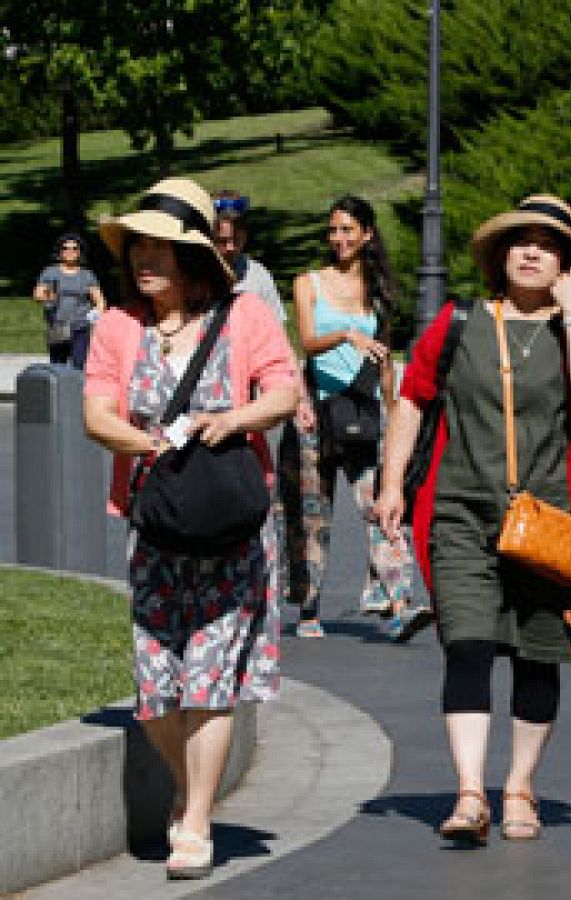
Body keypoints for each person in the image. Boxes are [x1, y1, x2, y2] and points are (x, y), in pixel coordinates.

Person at [374, 193, 571, 846]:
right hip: (460, 513)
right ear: (500, 254)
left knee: (537, 657)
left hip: (548, 520)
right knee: (469, 645)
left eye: (550, 243)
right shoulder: (457, 323)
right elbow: (413, 400)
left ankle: (519, 787)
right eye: (522, 240)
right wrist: (392, 481)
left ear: (568, 264)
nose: (533, 251)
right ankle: (468, 794)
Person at [82, 177, 297, 879]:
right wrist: (144, 445)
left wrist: (229, 421)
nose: (146, 259)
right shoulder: (117, 325)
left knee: (208, 680)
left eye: (162, 248)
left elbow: (284, 391)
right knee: (154, 694)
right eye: (138, 247)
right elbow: (96, 413)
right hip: (156, 526)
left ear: (195, 258)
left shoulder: (243, 319)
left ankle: (196, 820)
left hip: (232, 528)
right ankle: (187, 785)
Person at [279, 195, 421, 640]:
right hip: (318, 414)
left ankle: (398, 602)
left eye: (347, 230)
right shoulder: (309, 283)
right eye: (333, 230)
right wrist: (346, 334)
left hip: (365, 411)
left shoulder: (378, 291)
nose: (338, 238)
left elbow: (383, 359)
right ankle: (307, 607)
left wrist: (394, 409)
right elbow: (306, 341)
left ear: (367, 234)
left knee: (383, 506)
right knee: (311, 515)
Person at [33, 232, 106, 367]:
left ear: (79, 252)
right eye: (65, 248)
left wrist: (95, 315)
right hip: (57, 325)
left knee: (79, 363)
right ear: (60, 252)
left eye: (74, 248)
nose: (70, 251)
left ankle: (77, 388)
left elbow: (99, 300)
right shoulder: (50, 272)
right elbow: (37, 295)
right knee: (57, 364)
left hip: (80, 326)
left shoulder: (87, 275)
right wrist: (49, 296)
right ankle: (59, 388)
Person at [212, 190, 286, 320]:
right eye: (222, 241)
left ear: (245, 235)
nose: (230, 248)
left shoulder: (258, 276)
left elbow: (276, 331)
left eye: (236, 239)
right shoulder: (193, 278)